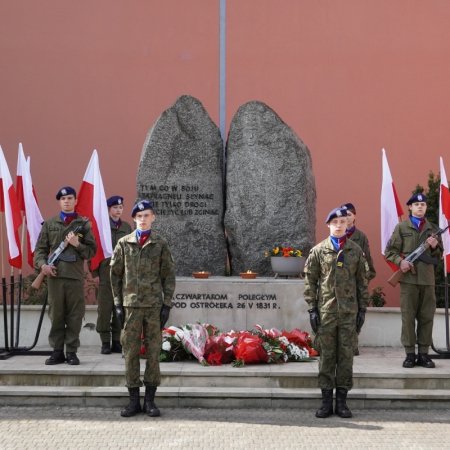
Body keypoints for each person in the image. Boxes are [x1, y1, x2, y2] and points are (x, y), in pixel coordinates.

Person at [110, 200, 175, 418]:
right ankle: (133, 401)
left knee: (154, 353)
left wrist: (167, 304)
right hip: (131, 307)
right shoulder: (123, 243)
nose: (143, 219)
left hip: (154, 307)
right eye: (139, 216)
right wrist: (118, 305)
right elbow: (115, 276)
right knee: (130, 353)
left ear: (153, 217)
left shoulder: (160, 244)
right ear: (134, 219)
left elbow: (168, 275)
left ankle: (150, 401)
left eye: (147, 215)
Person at [304, 206, 369, 418]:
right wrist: (312, 309)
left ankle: (341, 402)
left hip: (349, 314)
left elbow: (362, 282)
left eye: (343, 222)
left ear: (347, 224)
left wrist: (362, 310)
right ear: (328, 225)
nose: (339, 225)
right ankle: (325, 403)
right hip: (326, 313)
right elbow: (310, 282)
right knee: (327, 357)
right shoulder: (318, 251)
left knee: (346, 357)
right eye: (335, 223)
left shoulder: (355, 251)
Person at [34, 186, 97, 366]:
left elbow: (92, 252)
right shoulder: (50, 224)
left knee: (75, 316)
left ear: (75, 201)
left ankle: (71, 352)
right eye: (63, 199)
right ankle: (56, 352)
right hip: (54, 277)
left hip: (75, 277)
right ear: (59, 202)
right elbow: (39, 250)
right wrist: (43, 265)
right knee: (56, 314)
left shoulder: (83, 225)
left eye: (70, 198)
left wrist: (77, 244)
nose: (67, 201)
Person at [384, 193, 442, 369]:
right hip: (408, 281)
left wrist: (434, 247)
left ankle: (423, 354)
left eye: (423, 204)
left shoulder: (433, 229)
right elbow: (390, 251)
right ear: (410, 207)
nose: (420, 207)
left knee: (426, 318)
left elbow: (438, 257)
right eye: (416, 204)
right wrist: (400, 262)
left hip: (427, 280)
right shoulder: (402, 227)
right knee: (408, 318)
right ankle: (410, 354)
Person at [94, 196, 132, 354]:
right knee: (104, 309)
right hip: (104, 273)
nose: (118, 210)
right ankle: (105, 341)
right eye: (115, 207)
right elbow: (94, 251)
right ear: (109, 209)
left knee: (120, 308)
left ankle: (117, 340)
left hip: (122, 275)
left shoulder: (126, 227)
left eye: (121, 207)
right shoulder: (101, 227)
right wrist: (94, 272)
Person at [341, 202, 376, 355]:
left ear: (354, 216)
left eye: (349, 215)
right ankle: (340, 345)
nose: (346, 218)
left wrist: (363, 280)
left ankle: (353, 344)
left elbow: (368, 262)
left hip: (355, 283)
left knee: (356, 316)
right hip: (339, 283)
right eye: (343, 215)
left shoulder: (360, 237)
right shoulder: (336, 234)